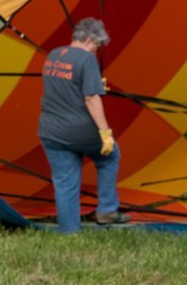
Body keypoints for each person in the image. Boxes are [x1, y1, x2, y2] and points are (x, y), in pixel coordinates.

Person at [38, 17, 129, 233]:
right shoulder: (87, 60)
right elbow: (91, 98)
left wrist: (95, 83)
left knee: (65, 183)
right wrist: (105, 132)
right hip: (80, 131)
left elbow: (67, 85)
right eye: (97, 47)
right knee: (110, 156)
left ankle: (69, 233)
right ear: (89, 39)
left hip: (51, 132)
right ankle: (107, 209)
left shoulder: (53, 55)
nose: (96, 52)